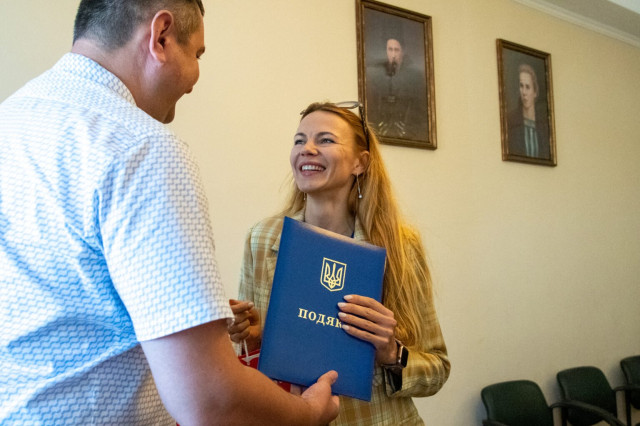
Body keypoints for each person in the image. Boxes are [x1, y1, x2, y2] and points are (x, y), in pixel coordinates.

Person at [0, 1, 339, 424]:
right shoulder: (142, 146)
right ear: (161, 36)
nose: (194, 80)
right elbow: (208, 399)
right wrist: (307, 414)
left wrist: (185, 313)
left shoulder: (11, 119)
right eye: (197, 54)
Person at [228, 101, 450, 425]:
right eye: (299, 140)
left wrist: (391, 353)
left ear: (360, 163)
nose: (307, 149)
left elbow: (437, 368)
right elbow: (250, 357)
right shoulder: (262, 238)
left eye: (325, 140)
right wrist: (249, 334)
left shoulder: (400, 246)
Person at [365, 35, 428, 141]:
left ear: (403, 51)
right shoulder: (375, 74)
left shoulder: (415, 76)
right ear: (386, 51)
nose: (393, 55)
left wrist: (408, 129)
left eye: (396, 50)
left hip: (408, 132)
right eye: (390, 50)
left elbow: (420, 111)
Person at [507, 63, 550, 158]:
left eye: (527, 87)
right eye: (521, 86)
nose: (524, 92)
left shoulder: (544, 125)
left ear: (535, 92)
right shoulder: (511, 121)